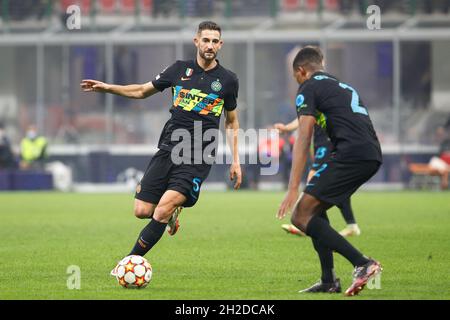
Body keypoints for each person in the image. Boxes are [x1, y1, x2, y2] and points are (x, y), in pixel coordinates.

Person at [81, 21, 242, 275]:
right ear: (196, 42)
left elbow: (232, 121)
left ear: (220, 45)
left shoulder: (228, 80)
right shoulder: (179, 70)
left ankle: (127, 263)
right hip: (169, 147)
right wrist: (108, 87)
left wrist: (236, 160)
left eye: (215, 41)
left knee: (163, 207)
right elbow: (142, 91)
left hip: (199, 153)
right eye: (206, 40)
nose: (210, 45)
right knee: (142, 210)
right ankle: (172, 215)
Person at [277, 46, 382, 296]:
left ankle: (363, 264)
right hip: (366, 153)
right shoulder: (340, 85)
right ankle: (328, 281)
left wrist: (292, 189)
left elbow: (304, 138)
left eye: (296, 78)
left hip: (351, 155)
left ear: (301, 71)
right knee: (314, 208)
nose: (297, 83)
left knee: (300, 216)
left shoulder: (308, 88)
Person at [274, 119, 361, 237]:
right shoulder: (318, 105)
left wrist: (287, 127)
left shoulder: (322, 103)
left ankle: (305, 223)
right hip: (323, 144)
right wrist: (287, 127)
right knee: (334, 186)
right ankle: (351, 225)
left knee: (313, 181)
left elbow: (306, 115)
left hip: (327, 144)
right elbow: (305, 116)